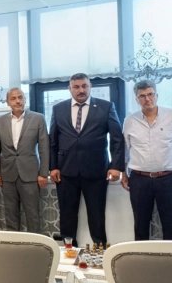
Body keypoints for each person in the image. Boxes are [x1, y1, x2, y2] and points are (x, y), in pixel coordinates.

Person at [49, 73, 125, 245]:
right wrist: (53, 167)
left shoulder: (106, 107)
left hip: (96, 172)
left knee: (97, 215)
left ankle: (100, 252)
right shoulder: (58, 109)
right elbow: (52, 140)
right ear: (69, 89)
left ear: (90, 87)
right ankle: (69, 250)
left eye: (84, 86)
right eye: (76, 87)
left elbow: (117, 139)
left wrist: (115, 166)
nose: (81, 90)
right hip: (66, 172)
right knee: (67, 215)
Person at [121, 80, 172, 240]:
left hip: (168, 178)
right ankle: (141, 255)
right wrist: (124, 174)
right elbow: (125, 150)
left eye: (150, 94)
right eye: (142, 96)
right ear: (137, 99)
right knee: (140, 224)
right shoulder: (130, 121)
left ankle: (171, 256)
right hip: (139, 179)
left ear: (157, 95)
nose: (147, 99)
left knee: (170, 224)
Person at [0, 88, 49, 233]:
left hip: (30, 174)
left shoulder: (38, 118)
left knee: (33, 214)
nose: (17, 101)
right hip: (7, 175)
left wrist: (43, 173)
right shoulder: (0, 121)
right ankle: (14, 244)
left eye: (20, 97)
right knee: (10, 214)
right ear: (7, 102)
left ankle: (35, 244)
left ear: (24, 99)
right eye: (13, 98)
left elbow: (44, 148)